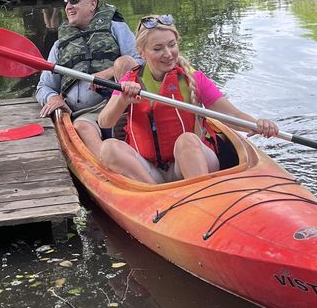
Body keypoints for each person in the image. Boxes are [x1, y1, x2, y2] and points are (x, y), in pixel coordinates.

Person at [97, 15, 279, 184]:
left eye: (172, 44)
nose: (168, 53)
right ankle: (157, 198)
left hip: (190, 164)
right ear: (142, 53)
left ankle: (201, 197)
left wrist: (258, 124)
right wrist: (122, 99)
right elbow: (105, 122)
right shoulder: (130, 80)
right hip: (150, 172)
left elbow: (230, 114)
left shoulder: (193, 78)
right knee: (108, 148)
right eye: (158, 49)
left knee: (187, 140)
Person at [35, 0, 139, 158]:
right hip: (86, 113)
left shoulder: (116, 28)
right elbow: (44, 86)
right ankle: (108, 166)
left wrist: (108, 72)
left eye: (74, 0)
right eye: (66, 2)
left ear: (92, 4)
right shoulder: (59, 45)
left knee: (126, 62)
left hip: (117, 102)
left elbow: (141, 61)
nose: (68, 6)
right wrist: (52, 97)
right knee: (82, 127)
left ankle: (126, 125)